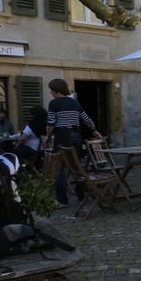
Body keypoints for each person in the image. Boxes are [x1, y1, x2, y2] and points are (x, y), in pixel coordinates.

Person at [45, 79, 102, 207]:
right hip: (76, 135)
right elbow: (86, 118)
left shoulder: (54, 103)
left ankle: (62, 200)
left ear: (57, 91)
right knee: (77, 166)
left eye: (51, 90)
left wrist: (47, 136)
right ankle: (81, 195)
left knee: (59, 167)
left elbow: (51, 123)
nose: (50, 93)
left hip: (62, 136)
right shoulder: (75, 102)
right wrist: (94, 130)